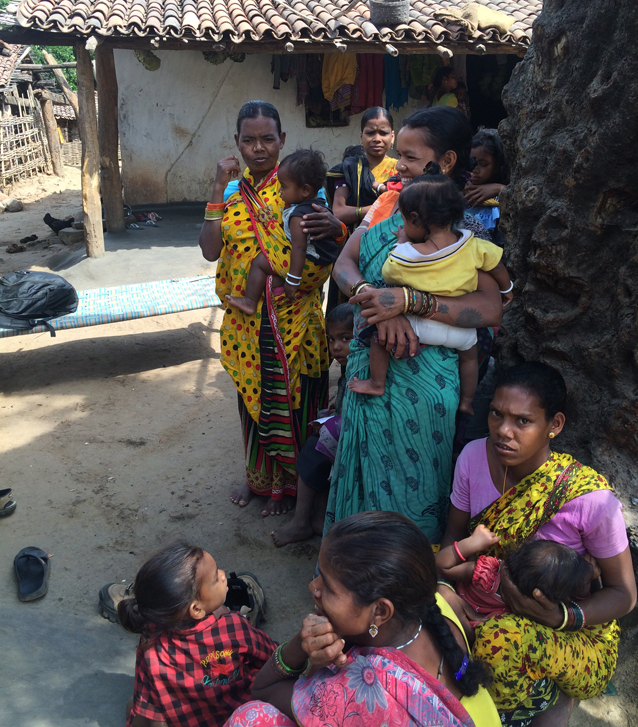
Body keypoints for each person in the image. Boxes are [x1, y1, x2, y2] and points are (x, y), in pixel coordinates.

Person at [328, 106, 503, 542]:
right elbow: (344, 263)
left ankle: (405, 583)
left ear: (444, 161)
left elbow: (491, 308)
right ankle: (354, 575)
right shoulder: (390, 205)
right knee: (362, 478)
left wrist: (410, 302)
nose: (396, 163)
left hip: (426, 386)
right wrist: (370, 298)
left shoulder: (464, 226)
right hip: (371, 370)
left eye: (407, 156)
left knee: (415, 485)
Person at [441, 362, 637, 725]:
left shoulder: (590, 499)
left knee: (501, 642)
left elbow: (624, 594)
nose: (503, 431)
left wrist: (560, 617)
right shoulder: (472, 457)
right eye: (496, 414)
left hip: (565, 629)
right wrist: (447, 589)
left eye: (522, 421)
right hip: (483, 596)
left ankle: (550, 702)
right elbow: (453, 537)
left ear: (555, 425)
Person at [199, 100, 346, 517]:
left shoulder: (303, 194)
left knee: (299, 404)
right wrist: (216, 186)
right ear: (237, 143)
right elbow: (211, 251)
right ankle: (259, 480)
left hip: (294, 321)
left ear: (282, 140)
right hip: (247, 324)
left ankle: (298, 490)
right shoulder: (230, 193)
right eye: (249, 140)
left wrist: (339, 227)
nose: (259, 148)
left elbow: (323, 255)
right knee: (253, 402)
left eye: (267, 139)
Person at [225, 511, 500, 727]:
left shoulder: (359, 688)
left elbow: (263, 688)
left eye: (329, 587)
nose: (313, 587)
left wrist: (300, 644)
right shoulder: (438, 599)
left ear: (380, 612)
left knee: (252, 717)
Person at [348, 163, 512, 415]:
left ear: (415, 219)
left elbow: (389, 271)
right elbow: (497, 265)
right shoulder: (473, 245)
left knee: (377, 338)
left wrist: (402, 242)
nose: (400, 163)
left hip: (424, 328)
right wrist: (506, 288)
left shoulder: (411, 254)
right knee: (469, 358)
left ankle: (376, 383)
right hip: (462, 333)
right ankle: (467, 401)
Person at [121, 542, 277, 727]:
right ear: (196, 609)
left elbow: (147, 707)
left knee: (132, 704)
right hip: (240, 718)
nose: (222, 574)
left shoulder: (152, 646)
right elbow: (273, 656)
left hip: (188, 720)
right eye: (215, 578)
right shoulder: (234, 629)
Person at [271, 303, 354, 547]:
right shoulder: (349, 366)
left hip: (356, 436)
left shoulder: (363, 368)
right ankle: (317, 517)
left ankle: (301, 522)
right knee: (318, 446)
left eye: (345, 338)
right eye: (331, 339)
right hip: (345, 430)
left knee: (312, 450)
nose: (336, 346)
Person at [225, 149, 339, 315]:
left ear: (305, 190)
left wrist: (293, 281)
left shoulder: (298, 216)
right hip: (321, 271)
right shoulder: (319, 206)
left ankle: (249, 301)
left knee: (259, 262)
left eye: (284, 187)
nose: (280, 192)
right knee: (270, 280)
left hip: (306, 268)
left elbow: (298, 248)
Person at [436, 524, 602, 625]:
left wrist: (472, 543)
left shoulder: (490, 573)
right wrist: (588, 578)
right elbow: (440, 567)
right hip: (464, 621)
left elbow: (443, 565)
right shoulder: (536, 609)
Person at [327, 107, 397, 229]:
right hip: (355, 240)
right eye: (370, 133)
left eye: (383, 133)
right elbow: (338, 212)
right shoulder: (349, 169)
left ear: (392, 137)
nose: (377, 139)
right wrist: (374, 210)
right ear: (361, 137)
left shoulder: (401, 170)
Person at [464, 129, 510, 246]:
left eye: (483, 164)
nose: (475, 169)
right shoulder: (460, 187)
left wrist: (501, 189)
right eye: (471, 162)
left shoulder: (503, 194)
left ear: (498, 165)